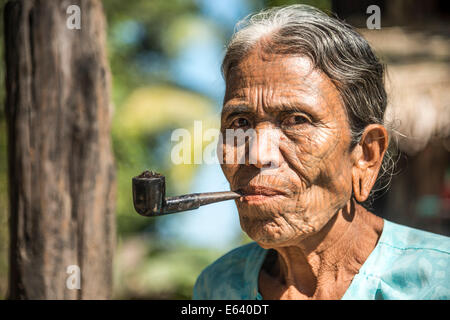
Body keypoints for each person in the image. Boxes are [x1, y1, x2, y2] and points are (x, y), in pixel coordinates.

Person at [192, 5, 450, 300]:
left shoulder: (439, 281)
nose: (257, 154)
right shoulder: (217, 287)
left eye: (297, 121)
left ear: (366, 155)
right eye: (239, 122)